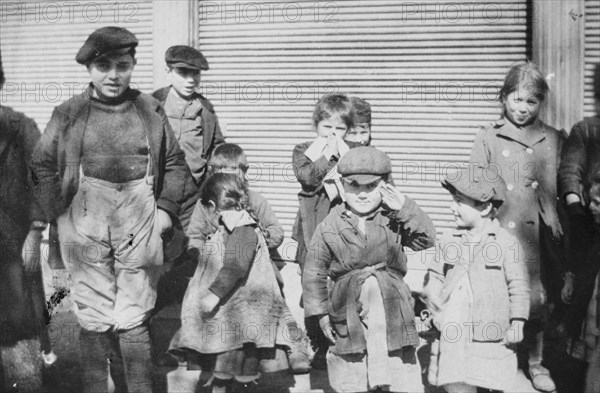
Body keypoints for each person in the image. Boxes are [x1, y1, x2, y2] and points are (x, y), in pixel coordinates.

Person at [31, 26, 190, 393]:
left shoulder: (150, 109)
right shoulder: (69, 112)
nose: (113, 75)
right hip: (83, 218)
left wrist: (165, 211)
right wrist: (59, 211)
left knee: (134, 318)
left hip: (140, 215)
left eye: (122, 65)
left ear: (133, 65)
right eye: (103, 66)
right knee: (92, 318)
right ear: (90, 69)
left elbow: (177, 163)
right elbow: (40, 164)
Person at [161, 143, 311, 373]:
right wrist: (207, 253)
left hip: (253, 265)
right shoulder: (207, 203)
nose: (227, 177)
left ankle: (295, 344)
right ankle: (199, 350)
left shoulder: (255, 200)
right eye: (220, 171)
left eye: (233, 171)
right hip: (215, 265)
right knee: (190, 295)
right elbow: (194, 235)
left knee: (275, 295)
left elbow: (276, 230)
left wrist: (259, 241)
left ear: (244, 171)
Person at [302, 146, 436, 392]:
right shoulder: (330, 224)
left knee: (397, 363)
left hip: (391, 304)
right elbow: (314, 272)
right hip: (348, 306)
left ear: (385, 185)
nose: (362, 194)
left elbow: (425, 239)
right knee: (352, 364)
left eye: (370, 187)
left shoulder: (393, 218)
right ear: (342, 185)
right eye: (354, 186)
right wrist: (320, 314)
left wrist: (404, 207)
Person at [469, 62, 565, 393]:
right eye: (516, 99)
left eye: (531, 102)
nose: (522, 109)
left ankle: (537, 363)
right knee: (501, 294)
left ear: (541, 104)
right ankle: (504, 361)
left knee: (537, 296)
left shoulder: (553, 138)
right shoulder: (488, 136)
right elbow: (474, 186)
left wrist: (556, 214)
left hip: (538, 234)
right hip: (501, 229)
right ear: (503, 97)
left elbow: (562, 186)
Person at [169, 173, 289, 393]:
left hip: (242, 314)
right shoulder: (234, 226)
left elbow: (235, 266)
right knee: (231, 364)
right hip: (236, 313)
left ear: (213, 206)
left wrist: (214, 294)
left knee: (231, 365)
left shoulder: (242, 229)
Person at [423, 166, 530, 393]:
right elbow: (435, 274)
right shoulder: (448, 238)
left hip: (488, 325)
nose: (452, 207)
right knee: (455, 378)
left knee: (488, 374)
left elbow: (519, 286)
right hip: (454, 323)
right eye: (452, 200)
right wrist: (433, 297)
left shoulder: (505, 243)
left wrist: (518, 321)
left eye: (459, 201)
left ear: (485, 207)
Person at [0, 54, 55, 392]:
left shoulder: (20, 129)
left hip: (14, 242)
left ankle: (32, 375)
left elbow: (43, 180)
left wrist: (35, 232)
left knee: (21, 325)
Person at [292, 92, 354, 368]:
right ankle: (314, 338)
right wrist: (328, 155)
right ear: (316, 125)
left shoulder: (351, 151)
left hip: (341, 227)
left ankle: (338, 339)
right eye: (327, 127)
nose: (333, 133)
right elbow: (307, 179)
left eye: (340, 128)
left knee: (340, 279)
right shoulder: (304, 150)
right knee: (311, 280)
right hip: (311, 226)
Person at [559, 63, 600, 393]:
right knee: (587, 307)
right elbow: (570, 172)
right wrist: (577, 205)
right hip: (590, 228)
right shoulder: (587, 131)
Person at [152, 45, 225, 232]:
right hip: (161, 187)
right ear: (168, 72)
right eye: (183, 73)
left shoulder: (205, 109)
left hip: (194, 188)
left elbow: (217, 147)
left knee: (191, 241)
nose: (190, 80)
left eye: (196, 74)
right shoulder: (152, 104)